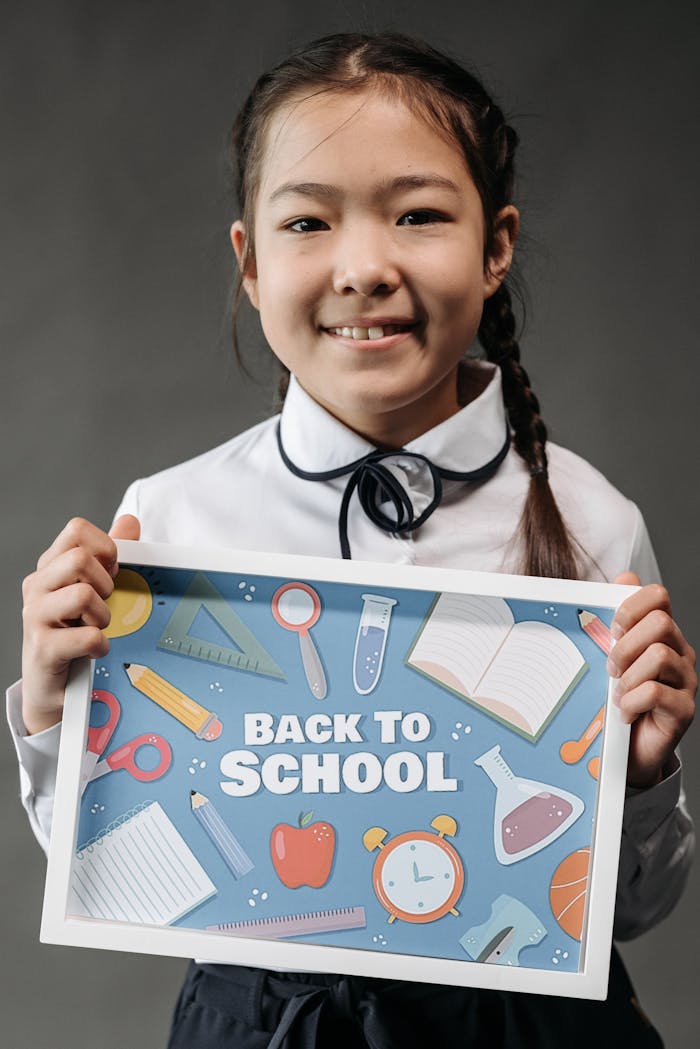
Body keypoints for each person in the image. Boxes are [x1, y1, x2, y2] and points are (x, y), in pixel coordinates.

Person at [10, 31, 696, 1049]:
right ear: (248, 259)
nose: (365, 266)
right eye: (307, 220)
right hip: (262, 1024)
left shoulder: (593, 521)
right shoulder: (170, 519)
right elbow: (125, 868)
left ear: (495, 245)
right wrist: (50, 701)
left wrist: (642, 779)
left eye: (418, 215)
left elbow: (627, 911)